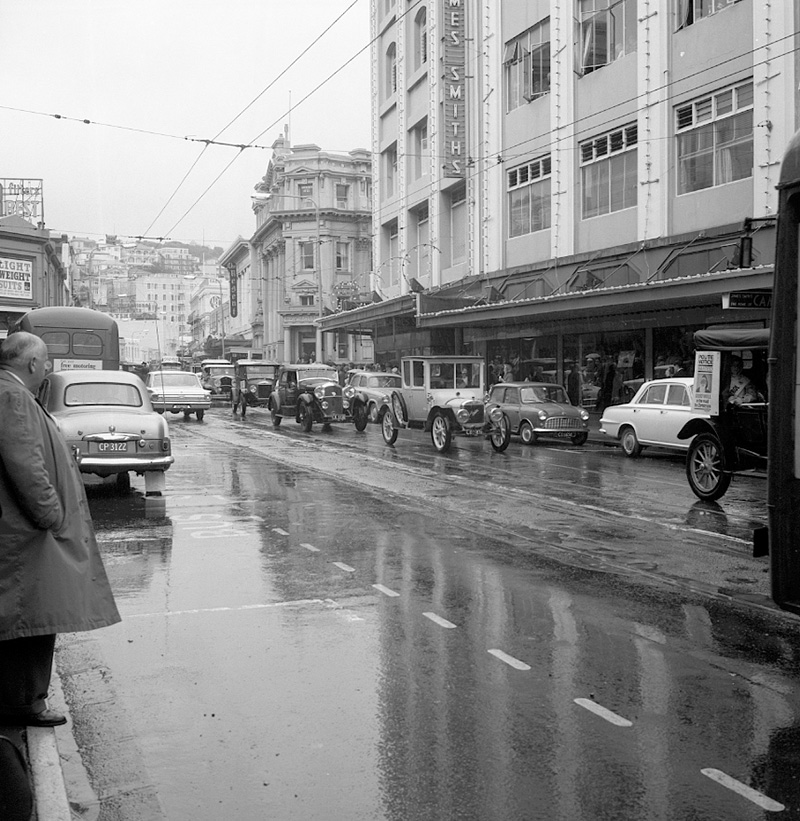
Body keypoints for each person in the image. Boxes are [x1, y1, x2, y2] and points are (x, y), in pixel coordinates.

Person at [0, 332, 120, 727]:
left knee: (29, 616)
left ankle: (21, 699)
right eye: (46, 361)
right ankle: (24, 703)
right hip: (27, 536)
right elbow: (26, 465)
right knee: (32, 618)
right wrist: (52, 515)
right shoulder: (14, 397)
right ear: (32, 363)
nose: (48, 367)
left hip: (20, 531)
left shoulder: (12, 393)